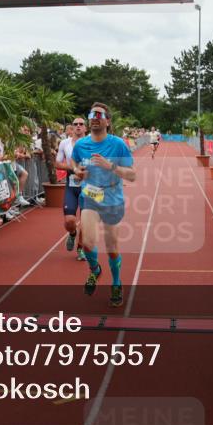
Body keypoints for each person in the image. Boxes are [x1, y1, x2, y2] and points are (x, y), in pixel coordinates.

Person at [71, 102, 136, 308]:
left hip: (112, 197)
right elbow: (74, 162)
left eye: (99, 114)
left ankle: (116, 282)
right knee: (88, 242)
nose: (94, 117)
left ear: (107, 121)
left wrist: (111, 166)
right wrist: (77, 172)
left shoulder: (118, 144)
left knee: (111, 247)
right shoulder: (81, 145)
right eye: (91, 114)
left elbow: (132, 175)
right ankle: (95, 270)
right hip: (91, 195)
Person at [56, 116, 87, 260]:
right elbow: (57, 163)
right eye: (76, 124)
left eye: (81, 124)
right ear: (72, 127)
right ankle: (72, 233)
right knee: (69, 221)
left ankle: (80, 249)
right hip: (72, 185)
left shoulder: (92, 143)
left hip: (89, 185)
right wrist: (73, 168)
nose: (78, 126)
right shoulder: (64, 143)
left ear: (85, 128)